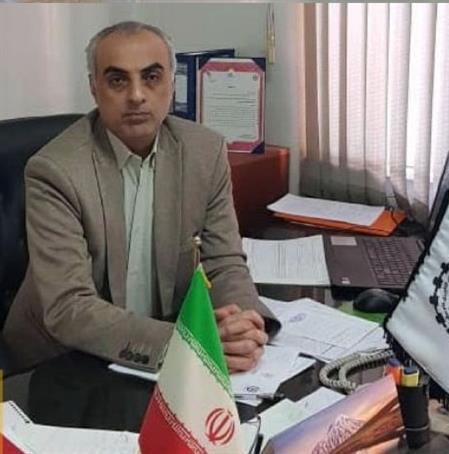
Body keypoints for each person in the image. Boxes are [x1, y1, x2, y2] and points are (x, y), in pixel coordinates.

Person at [4, 21, 278, 373]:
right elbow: (70, 308)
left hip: (161, 349)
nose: (136, 95)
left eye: (151, 77)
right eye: (118, 80)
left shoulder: (205, 152)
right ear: (94, 88)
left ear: (171, 83)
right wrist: (188, 344)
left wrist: (245, 325)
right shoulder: (55, 171)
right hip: (59, 362)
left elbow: (223, 262)